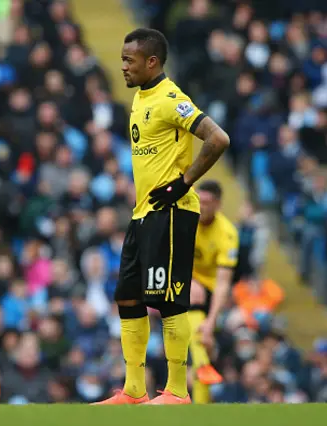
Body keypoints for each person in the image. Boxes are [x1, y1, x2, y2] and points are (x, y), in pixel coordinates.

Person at [94, 28, 230, 405]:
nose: (123, 67)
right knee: (128, 298)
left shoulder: (172, 99)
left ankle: (177, 390)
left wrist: (183, 183)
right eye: (122, 59)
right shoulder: (141, 98)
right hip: (143, 214)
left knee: (168, 299)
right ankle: (134, 389)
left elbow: (218, 138)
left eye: (129, 60)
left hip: (172, 212)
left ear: (151, 61)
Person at [189, 181, 239, 404]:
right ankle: (204, 365)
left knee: (203, 340)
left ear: (218, 204)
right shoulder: (185, 219)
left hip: (211, 292)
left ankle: (201, 405)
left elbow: (222, 283)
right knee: (193, 297)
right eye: (199, 200)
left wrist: (211, 321)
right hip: (184, 284)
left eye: (207, 202)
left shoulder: (227, 233)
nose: (201, 206)